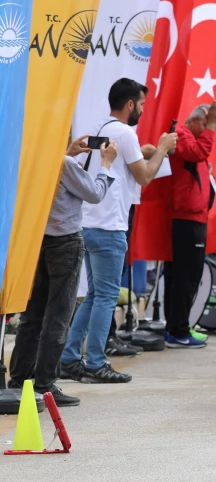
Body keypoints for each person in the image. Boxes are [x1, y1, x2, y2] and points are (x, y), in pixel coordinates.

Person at [60, 79, 173, 386]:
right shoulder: (125, 132)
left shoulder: (102, 128)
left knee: (95, 295)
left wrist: (147, 151)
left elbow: (127, 164)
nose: (142, 110)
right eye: (141, 104)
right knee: (106, 296)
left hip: (89, 222)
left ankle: (70, 358)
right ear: (129, 105)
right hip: (110, 226)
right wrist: (162, 149)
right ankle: (96, 362)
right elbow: (146, 176)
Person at [10, 137, 117, 405]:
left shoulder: (30, 161)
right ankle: (46, 385)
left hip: (36, 243)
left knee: (32, 317)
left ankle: (19, 381)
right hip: (64, 244)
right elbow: (95, 194)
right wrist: (105, 164)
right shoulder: (65, 163)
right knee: (58, 317)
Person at [164, 99, 216, 348]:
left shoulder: (190, 137)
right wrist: (212, 127)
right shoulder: (180, 134)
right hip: (186, 218)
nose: (211, 129)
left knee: (187, 276)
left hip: (194, 216)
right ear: (197, 120)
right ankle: (177, 330)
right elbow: (197, 153)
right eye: (208, 124)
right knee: (184, 277)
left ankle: (180, 326)